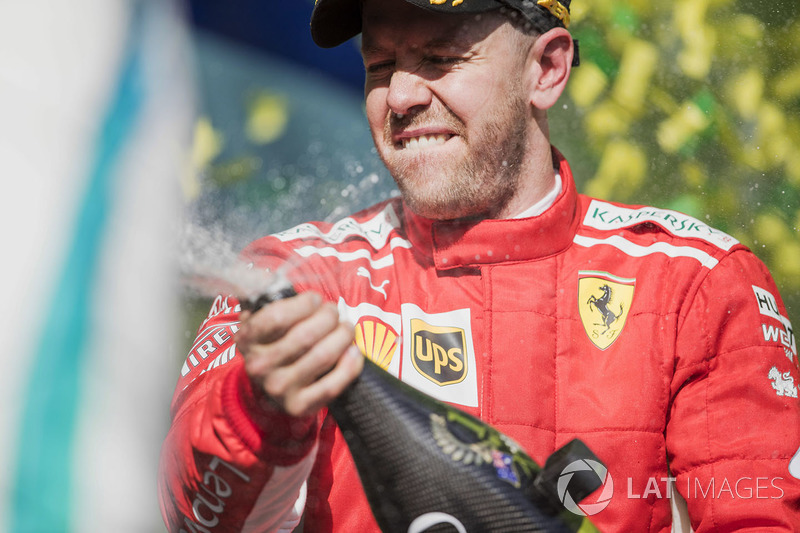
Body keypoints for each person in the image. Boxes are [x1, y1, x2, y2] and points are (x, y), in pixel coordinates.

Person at [158, 0, 800, 530]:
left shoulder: (697, 280)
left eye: (439, 59)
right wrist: (259, 409)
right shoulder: (295, 276)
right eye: (379, 63)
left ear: (547, 68)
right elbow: (194, 520)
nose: (401, 95)